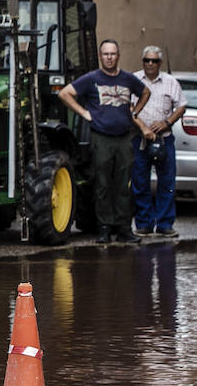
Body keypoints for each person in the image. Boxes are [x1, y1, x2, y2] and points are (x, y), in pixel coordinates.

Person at [58, 39, 151, 244]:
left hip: (124, 138)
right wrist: (84, 113)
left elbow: (146, 92)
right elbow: (65, 93)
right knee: (102, 184)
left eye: (113, 54)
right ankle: (104, 228)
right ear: (101, 57)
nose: (109, 57)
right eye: (106, 54)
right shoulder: (92, 78)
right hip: (101, 138)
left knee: (124, 185)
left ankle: (125, 229)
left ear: (118, 56)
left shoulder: (128, 79)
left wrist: (135, 111)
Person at [130, 46, 186, 238]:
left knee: (167, 182)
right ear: (143, 61)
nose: (150, 64)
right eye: (147, 60)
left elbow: (181, 106)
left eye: (154, 61)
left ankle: (165, 224)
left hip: (164, 139)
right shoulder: (134, 79)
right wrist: (142, 127)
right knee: (140, 182)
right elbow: (128, 107)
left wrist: (166, 122)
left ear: (160, 63)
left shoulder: (171, 82)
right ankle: (144, 223)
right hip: (140, 139)